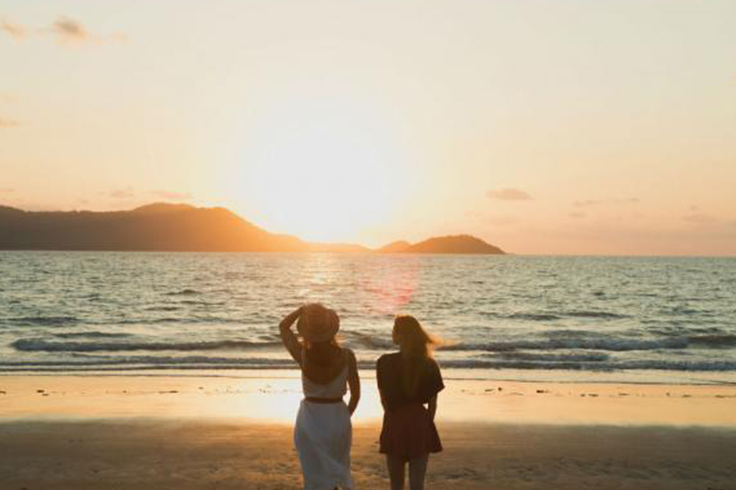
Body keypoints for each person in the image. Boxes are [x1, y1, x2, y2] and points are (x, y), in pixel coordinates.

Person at [279, 303, 360, 490]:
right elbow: (356, 394)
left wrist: (300, 311)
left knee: (314, 472)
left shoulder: (303, 355)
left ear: (307, 333)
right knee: (339, 466)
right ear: (332, 330)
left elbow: (283, 327)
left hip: (310, 417)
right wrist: (345, 416)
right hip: (338, 413)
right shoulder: (347, 356)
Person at [377, 315, 444, 490]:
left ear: (400, 335)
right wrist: (426, 424)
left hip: (395, 419)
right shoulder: (430, 365)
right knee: (417, 484)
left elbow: (383, 400)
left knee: (396, 484)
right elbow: (433, 404)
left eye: (394, 329)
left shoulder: (384, 362)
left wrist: (393, 417)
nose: (392, 332)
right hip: (419, 421)